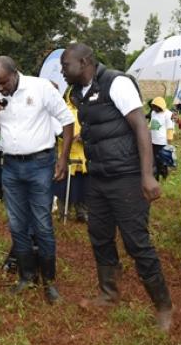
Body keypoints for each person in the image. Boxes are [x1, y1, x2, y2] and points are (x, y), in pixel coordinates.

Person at [61, 44, 172, 330]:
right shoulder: (78, 94)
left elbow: (140, 128)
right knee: (99, 235)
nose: (62, 71)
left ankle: (163, 307)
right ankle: (109, 294)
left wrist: (147, 175)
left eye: (66, 65)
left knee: (137, 242)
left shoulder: (117, 83)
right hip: (98, 177)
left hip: (126, 176)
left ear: (84, 62)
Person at [0, 56, 74, 304]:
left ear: (15, 73)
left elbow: (67, 122)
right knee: (17, 224)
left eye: (3, 82)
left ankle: (50, 283)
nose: (0, 88)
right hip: (11, 167)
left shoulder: (40, 87)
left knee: (42, 224)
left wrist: (63, 159)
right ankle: (26, 276)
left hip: (40, 165)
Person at [54, 87, 88, 222]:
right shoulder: (63, 111)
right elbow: (58, 131)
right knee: (64, 187)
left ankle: (82, 213)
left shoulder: (86, 112)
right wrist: (70, 137)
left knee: (83, 188)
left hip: (83, 156)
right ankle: (63, 212)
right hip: (67, 155)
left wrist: (84, 136)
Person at [148, 96, 174, 181]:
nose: (154, 109)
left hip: (163, 142)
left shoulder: (168, 114)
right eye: (153, 107)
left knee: (163, 161)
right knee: (155, 161)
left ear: (160, 106)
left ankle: (164, 176)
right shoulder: (153, 113)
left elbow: (170, 128)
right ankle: (156, 177)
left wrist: (169, 143)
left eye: (156, 107)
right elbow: (152, 124)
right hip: (153, 141)